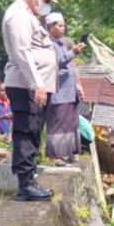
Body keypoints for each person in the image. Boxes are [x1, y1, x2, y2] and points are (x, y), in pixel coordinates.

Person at [2, 0, 59, 201]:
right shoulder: (18, 15)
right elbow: (23, 51)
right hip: (27, 85)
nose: (46, 4)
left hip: (33, 85)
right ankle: (25, 185)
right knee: (26, 131)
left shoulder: (27, 15)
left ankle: (29, 180)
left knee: (33, 131)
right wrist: (38, 83)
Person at [44, 12, 86, 167]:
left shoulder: (61, 43)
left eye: (64, 25)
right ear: (50, 27)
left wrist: (78, 85)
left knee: (70, 123)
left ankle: (69, 153)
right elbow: (56, 62)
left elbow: (71, 66)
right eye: (60, 26)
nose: (63, 28)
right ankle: (55, 156)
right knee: (57, 123)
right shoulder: (47, 43)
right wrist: (73, 52)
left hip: (69, 91)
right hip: (58, 92)